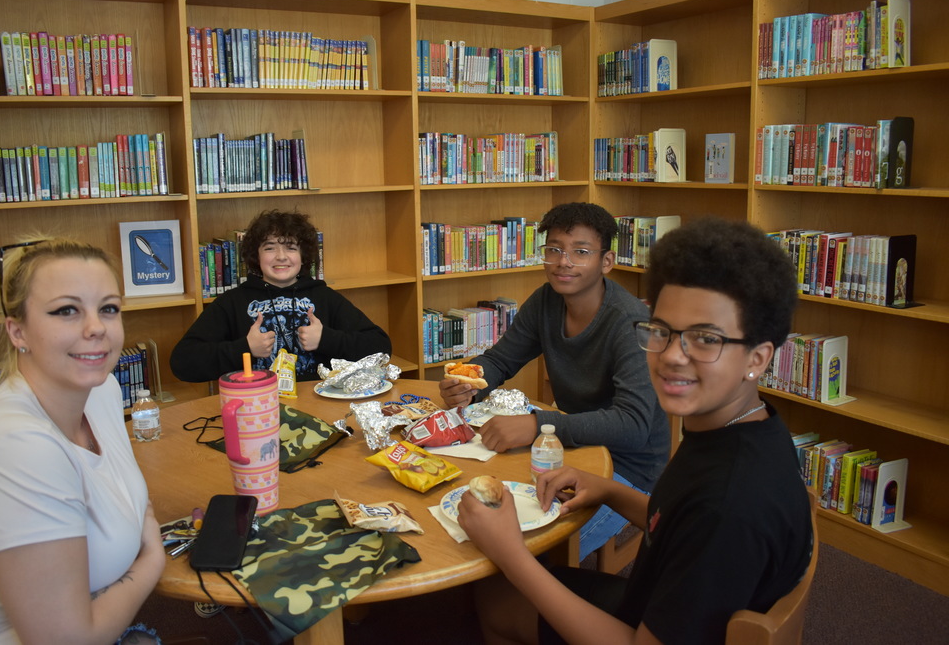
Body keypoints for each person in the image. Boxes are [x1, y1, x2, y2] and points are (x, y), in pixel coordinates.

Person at [457, 217, 813, 645]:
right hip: (661, 599)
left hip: (642, 626)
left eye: (705, 339)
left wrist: (511, 555)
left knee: (497, 593)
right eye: (661, 332)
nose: (673, 357)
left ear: (758, 358)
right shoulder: (743, 427)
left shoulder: (727, 507)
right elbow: (677, 523)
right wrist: (609, 491)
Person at [0, 238, 166, 644]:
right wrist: (152, 560)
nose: (96, 328)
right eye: (66, 311)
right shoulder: (18, 449)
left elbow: (128, 500)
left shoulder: (102, 391)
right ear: (18, 331)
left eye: (108, 308)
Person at [440, 202, 670, 560]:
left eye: (580, 252)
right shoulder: (547, 300)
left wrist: (537, 424)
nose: (564, 262)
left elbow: (633, 424)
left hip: (626, 471)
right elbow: (501, 359)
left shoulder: (630, 323)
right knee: (475, 506)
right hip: (569, 447)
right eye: (554, 250)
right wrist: (469, 379)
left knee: (532, 552)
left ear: (606, 262)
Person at [170, 209, 392, 383]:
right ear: (256, 256)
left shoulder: (324, 297)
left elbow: (381, 348)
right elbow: (182, 363)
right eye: (269, 248)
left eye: (291, 248)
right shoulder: (231, 302)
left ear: (304, 256)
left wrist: (326, 339)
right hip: (256, 407)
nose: (281, 257)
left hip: (319, 403)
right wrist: (245, 347)